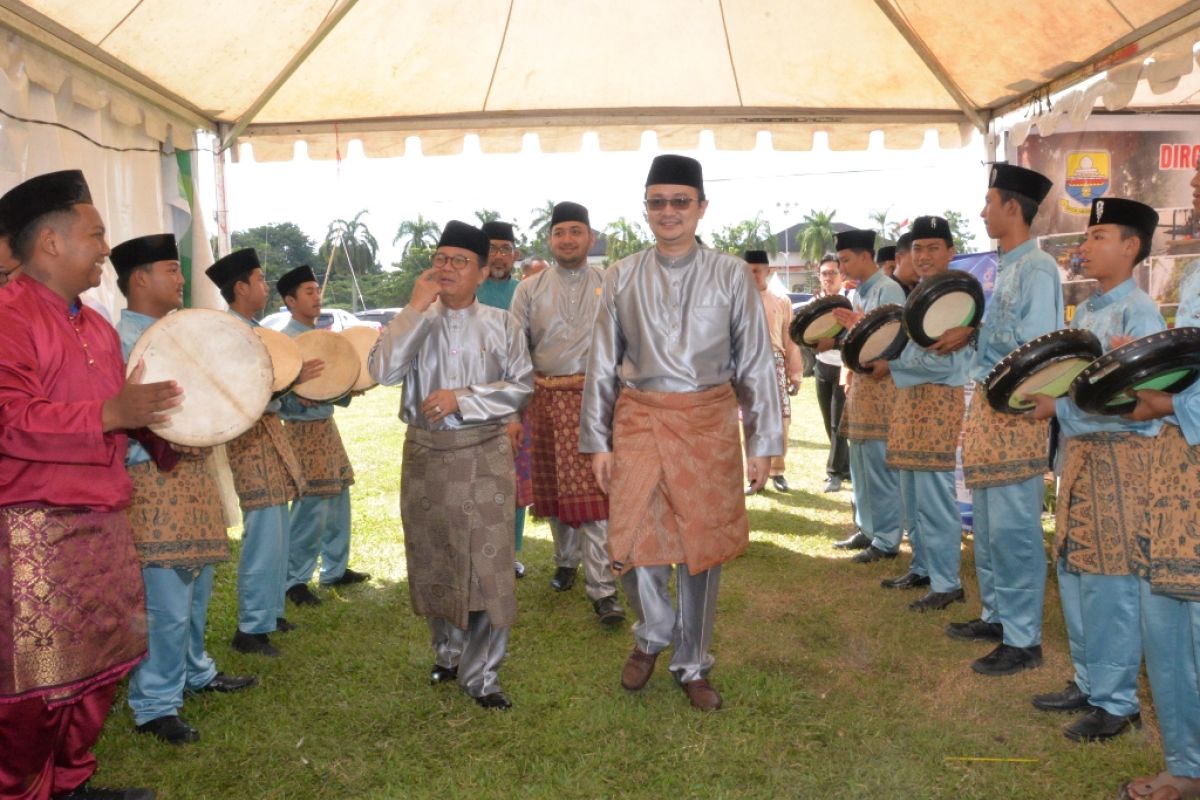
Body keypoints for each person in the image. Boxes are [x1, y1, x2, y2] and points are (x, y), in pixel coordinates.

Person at [0, 170, 180, 800]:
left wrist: (174, 429)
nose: (107, 247)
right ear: (50, 243)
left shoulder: (97, 325)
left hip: (103, 520)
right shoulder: (9, 316)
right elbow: (9, 418)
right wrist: (112, 414)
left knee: (101, 665)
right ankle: (20, 790)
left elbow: (130, 409)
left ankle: (70, 781)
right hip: (33, 529)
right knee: (36, 686)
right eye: (96, 233)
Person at [580, 154, 782, 712]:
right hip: (639, 419)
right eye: (657, 202)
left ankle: (692, 661)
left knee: (702, 544)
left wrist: (764, 443)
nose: (668, 212)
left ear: (701, 208)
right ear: (645, 208)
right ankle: (651, 632)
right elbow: (601, 364)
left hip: (709, 422)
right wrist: (597, 441)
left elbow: (756, 364)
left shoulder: (731, 275)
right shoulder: (620, 274)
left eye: (680, 202)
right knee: (636, 534)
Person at [369, 220, 533, 710]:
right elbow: (382, 371)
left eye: (460, 261)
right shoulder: (417, 318)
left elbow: (521, 385)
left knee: (488, 566)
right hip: (426, 457)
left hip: (484, 453)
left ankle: (483, 674)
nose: (447, 268)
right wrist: (415, 308)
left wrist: (463, 399)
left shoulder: (503, 324)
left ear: (483, 271)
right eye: (441, 258)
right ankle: (448, 652)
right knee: (436, 558)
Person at [111, 234, 257, 747]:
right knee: (165, 601)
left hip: (192, 477)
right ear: (139, 279)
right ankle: (153, 703)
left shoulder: (183, 332)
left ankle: (195, 671)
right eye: (170, 269)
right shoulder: (121, 344)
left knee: (195, 588)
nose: (180, 278)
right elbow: (121, 425)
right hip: (151, 482)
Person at [1026, 198, 1163, 742]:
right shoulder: (1086, 312)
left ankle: (1117, 701)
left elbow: (1141, 410)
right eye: (1087, 237)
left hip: (1119, 462)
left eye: (1099, 236)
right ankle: (1088, 681)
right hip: (1080, 457)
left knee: (1111, 582)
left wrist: (1058, 409)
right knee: (1076, 569)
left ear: (1131, 247)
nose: (1084, 247)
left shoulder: (1142, 313)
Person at [934, 164, 1061, 676]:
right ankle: (997, 616)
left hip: (1018, 412)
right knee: (987, 525)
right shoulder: (1006, 266)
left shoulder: (1039, 268)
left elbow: (1038, 351)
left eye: (989, 202)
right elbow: (1002, 336)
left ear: (1013, 206)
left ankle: (1024, 638)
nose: (983, 211)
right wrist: (973, 333)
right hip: (989, 408)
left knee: (1015, 531)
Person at [1118, 181, 1200, 797]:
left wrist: (1172, 403)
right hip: (1176, 471)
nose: (1193, 185)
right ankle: (1186, 765)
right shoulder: (1195, 272)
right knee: (1166, 621)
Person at [510, 202, 624, 624]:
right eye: (560, 233)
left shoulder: (611, 283)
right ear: (550, 240)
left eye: (576, 231)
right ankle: (565, 562)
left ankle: (604, 589)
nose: (568, 240)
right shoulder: (529, 289)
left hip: (597, 401)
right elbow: (514, 350)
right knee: (556, 493)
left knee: (597, 495)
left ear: (590, 237)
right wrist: (516, 410)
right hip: (544, 399)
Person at [205, 249, 311, 658]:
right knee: (264, 531)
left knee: (277, 529)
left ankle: (269, 612)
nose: (266, 287)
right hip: (249, 438)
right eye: (261, 280)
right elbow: (239, 391)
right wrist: (287, 385)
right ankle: (250, 628)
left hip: (268, 433)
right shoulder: (228, 332)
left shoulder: (251, 328)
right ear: (241, 287)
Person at [877, 217, 969, 610]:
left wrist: (894, 364)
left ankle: (947, 582)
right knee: (912, 495)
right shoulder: (917, 294)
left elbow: (948, 366)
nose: (924, 255)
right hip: (910, 405)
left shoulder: (958, 296)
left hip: (937, 406)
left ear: (950, 252)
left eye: (933, 247)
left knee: (935, 499)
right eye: (917, 248)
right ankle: (922, 567)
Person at [275, 265, 371, 609]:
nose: (317, 297)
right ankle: (294, 580)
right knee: (310, 508)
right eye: (308, 292)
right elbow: (279, 395)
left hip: (325, 428)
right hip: (300, 431)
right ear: (290, 301)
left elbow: (331, 385)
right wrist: (294, 397)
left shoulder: (322, 338)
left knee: (338, 499)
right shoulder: (287, 342)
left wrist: (349, 390)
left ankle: (335, 568)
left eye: (317, 291)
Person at [827, 230, 906, 561]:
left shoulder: (888, 289)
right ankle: (868, 528)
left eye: (846, 260)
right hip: (861, 385)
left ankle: (887, 539)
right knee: (860, 461)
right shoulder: (861, 292)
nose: (842, 266)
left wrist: (861, 328)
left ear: (864, 257)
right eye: (840, 260)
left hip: (883, 388)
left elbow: (899, 338)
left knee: (878, 464)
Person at [476, 220, 532, 580]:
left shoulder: (525, 291)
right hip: (473, 400)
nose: (498, 256)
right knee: (476, 478)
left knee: (512, 479)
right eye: (492, 248)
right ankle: (479, 551)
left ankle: (509, 553)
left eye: (505, 249)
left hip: (515, 398)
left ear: (515, 254)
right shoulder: (469, 289)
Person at [744, 250, 802, 494]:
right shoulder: (735, 299)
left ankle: (777, 471)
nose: (752, 275)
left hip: (775, 362)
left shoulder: (781, 300)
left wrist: (796, 373)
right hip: (746, 366)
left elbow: (791, 338)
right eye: (748, 271)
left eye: (757, 270)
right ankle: (754, 475)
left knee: (780, 421)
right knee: (749, 421)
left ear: (769, 271)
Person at [811, 254, 851, 494]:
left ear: (842, 275)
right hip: (821, 366)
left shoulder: (850, 302)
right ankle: (845, 467)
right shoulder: (815, 303)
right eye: (824, 273)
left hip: (842, 366)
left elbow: (854, 334)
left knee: (838, 422)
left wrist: (834, 343)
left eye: (833, 273)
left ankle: (834, 474)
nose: (828, 278)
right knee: (829, 421)